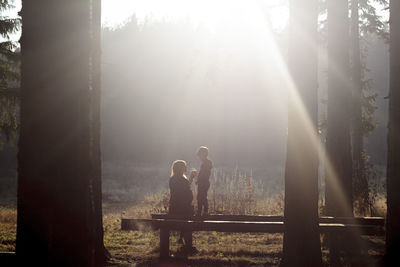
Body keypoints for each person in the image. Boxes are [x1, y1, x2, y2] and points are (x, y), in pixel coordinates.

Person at [168, 160, 196, 251]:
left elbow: (184, 188)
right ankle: (187, 245)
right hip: (183, 209)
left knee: (186, 220)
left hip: (173, 208)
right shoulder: (182, 180)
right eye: (184, 166)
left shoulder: (172, 179)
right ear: (180, 168)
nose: (186, 168)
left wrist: (190, 178)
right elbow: (186, 192)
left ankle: (181, 238)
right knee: (188, 222)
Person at [195, 146, 213, 216]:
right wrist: (198, 180)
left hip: (204, 183)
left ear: (203, 154)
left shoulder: (207, 163)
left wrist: (199, 179)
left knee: (201, 197)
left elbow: (204, 174)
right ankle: (201, 211)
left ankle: (203, 211)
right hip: (203, 182)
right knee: (200, 196)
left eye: (200, 156)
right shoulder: (206, 163)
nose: (199, 158)